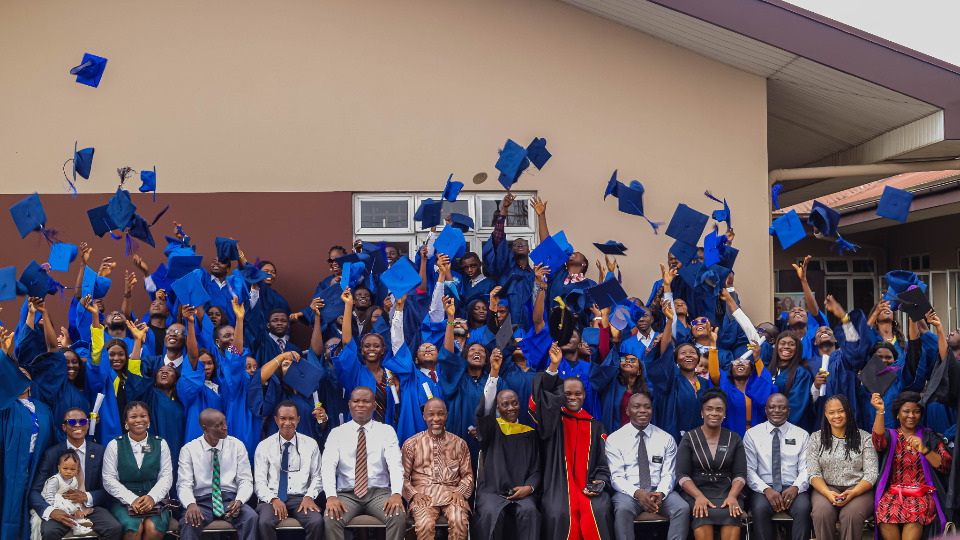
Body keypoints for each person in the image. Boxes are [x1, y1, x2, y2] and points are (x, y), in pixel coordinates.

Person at [532, 343, 613, 540]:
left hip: (587, 488)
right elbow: (543, 398)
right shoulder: (553, 419)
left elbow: (602, 465)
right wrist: (553, 367)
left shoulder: (595, 426)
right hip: (558, 486)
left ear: (585, 395)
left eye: (578, 394)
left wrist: (600, 482)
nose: (573, 398)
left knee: (600, 508)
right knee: (558, 512)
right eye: (567, 394)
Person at [322, 386, 405, 540]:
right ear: (349, 404)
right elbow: (327, 466)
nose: (360, 404)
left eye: (366, 401)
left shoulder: (386, 431)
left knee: (397, 515)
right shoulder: (337, 433)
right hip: (347, 494)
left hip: (378, 493)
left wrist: (396, 494)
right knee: (331, 518)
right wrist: (331, 497)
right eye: (356, 401)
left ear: (374, 406)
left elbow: (395, 465)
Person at [473, 354, 541, 540]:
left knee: (529, 511)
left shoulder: (530, 433)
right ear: (497, 408)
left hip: (523, 494)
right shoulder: (491, 429)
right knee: (491, 513)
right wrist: (494, 373)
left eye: (514, 403)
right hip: (493, 492)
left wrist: (530, 488)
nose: (511, 408)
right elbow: (485, 408)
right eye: (505, 404)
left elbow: (537, 469)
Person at [606, 391, 690, 540]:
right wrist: (638, 493)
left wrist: (661, 493)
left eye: (647, 407)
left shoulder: (666, 439)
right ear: (627, 411)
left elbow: (669, 474)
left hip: (659, 492)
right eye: (636, 407)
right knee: (623, 509)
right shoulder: (615, 439)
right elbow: (616, 477)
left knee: (681, 508)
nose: (642, 410)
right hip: (628, 494)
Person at [29, 407, 122, 540]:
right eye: (72, 422)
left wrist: (87, 496)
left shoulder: (100, 451)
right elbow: (34, 491)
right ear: (64, 427)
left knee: (114, 528)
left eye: (82, 422)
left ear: (88, 425)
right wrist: (52, 511)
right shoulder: (51, 453)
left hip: (90, 508)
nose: (78, 425)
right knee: (49, 532)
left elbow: (109, 488)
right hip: (60, 509)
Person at [871, 391, 951, 540]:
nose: (911, 416)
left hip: (923, 493)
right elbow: (878, 442)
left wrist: (925, 450)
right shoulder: (891, 435)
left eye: (916, 412)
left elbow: (946, 465)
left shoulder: (929, 436)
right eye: (906, 411)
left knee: (915, 515)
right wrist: (880, 411)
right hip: (895, 493)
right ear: (897, 414)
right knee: (884, 512)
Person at [1, 333, 56, 540]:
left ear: (32, 382)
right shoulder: (6, 406)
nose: (21, 377)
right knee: (9, 504)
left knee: (29, 509)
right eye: (17, 374)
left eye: (25, 374)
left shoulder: (43, 409)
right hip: (9, 466)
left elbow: (54, 438)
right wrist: (3, 351)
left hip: (35, 468)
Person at [675, 387, 748, 540]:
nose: (714, 413)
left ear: (725, 414)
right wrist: (698, 496)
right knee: (702, 512)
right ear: (702, 413)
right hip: (696, 491)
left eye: (719, 409)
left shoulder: (734, 438)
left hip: (728, 491)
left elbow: (740, 474)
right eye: (709, 409)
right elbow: (682, 474)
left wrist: (733, 496)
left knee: (732, 511)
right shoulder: (689, 437)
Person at [177, 408, 258, 540]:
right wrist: (191, 504)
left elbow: (245, 480)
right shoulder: (189, 450)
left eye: (225, 422)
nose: (225, 427)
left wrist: (240, 500)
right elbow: (184, 484)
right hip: (201, 501)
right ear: (205, 428)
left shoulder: (237, 445)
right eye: (219, 425)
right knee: (189, 521)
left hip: (230, 500)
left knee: (251, 518)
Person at [808, 394, 878, 540]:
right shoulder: (816, 438)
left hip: (858, 488)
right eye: (831, 412)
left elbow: (871, 474)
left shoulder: (864, 438)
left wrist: (853, 493)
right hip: (826, 488)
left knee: (851, 515)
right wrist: (828, 493)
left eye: (841, 411)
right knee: (821, 513)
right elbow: (813, 473)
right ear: (826, 415)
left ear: (849, 412)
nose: (837, 416)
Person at [401, 398, 473, 540]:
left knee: (459, 520)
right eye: (430, 414)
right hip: (423, 496)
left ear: (447, 416)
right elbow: (401, 476)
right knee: (425, 524)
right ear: (424, 416)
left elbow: (468, 476)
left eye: (441, 414)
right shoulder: (411, 444)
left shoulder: (459, 444)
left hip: (453, 495)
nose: (436, 419)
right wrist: (414, 494)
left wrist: (461, 492)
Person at [743, 393, 811, 540]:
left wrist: (796, 488)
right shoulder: (752, 434)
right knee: (759, 509)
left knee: (804, 508)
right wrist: (766, 490)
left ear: (789, 411)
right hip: (763, 488)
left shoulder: (802, 435)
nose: (777, 411)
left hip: (793, 487)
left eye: (782, 407)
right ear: (766, 410)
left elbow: (806, 468)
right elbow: (749, 469)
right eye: (772, 407)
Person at [102, 401, 174, 540]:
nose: (139, 420)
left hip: (155, 498)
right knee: (133, 529)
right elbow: (108, 479)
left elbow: (166, 476)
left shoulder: (160, 444)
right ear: (126, 422)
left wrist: (152, 497)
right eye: (133, 417)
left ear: (149, 421)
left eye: (143, 416)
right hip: (123, 500)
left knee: (153, 529)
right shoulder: (114, 445)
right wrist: (132, 499)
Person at [254, 400, 324, 540]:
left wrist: (309, 496)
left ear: (298, 420)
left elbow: (317, 477)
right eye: (283, 418)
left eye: (291, 418)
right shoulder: (264, 446)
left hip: (301, 498)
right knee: (264, 522)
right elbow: (259, 482)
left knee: (316, 521)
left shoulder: (310, 444)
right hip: (272, 498)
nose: (287, 423)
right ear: (275, 420)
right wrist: (273, 499)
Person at [33, 451, 95, 537]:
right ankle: (76, 527)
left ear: (78, 470)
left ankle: (78, 521)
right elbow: (49, 497)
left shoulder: (74, 480)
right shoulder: (55, 480)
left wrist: (78, 508)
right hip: (54, 503)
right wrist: (55, 510)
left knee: (74, 510)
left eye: (72, 469)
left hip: (66, 501)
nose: (68, 472)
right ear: (59, 468)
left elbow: (74, 497)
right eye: (65, 468)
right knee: (66, 514)